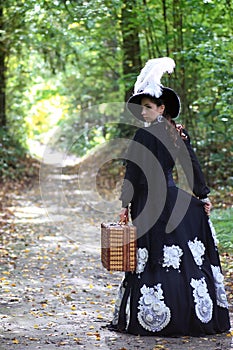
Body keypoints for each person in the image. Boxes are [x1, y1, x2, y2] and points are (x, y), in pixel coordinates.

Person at [108, 57, 231, 336]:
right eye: (142, 108)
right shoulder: (176, 133)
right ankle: (184, 316)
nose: (144, 112)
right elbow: (192, 165)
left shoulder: (143, 136)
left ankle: (157, 317)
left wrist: (125, 205)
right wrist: (202, 195)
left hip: (148, 203)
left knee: (153, 257)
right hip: (171, 199)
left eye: (149, 107)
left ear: (161, 107)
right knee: (178, 257)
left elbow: (133, 174)